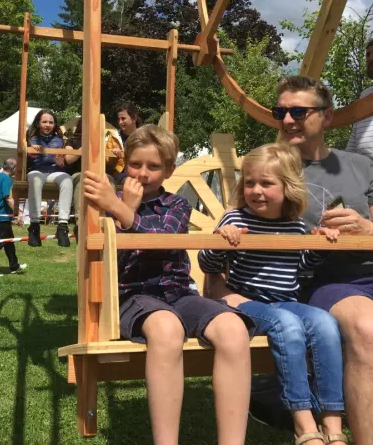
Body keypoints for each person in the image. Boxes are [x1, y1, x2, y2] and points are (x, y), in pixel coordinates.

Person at [84, 124, 253, 445]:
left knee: (233, 328)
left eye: (153, 166)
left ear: (169, 170)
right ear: (124, 164)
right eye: (136, 165)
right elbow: (110, 264)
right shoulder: (104, 206)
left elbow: (162, 239)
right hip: (133, 294)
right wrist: (125, 207)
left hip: (178, 293)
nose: (143, 173)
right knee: (167, 329)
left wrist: (122, 210)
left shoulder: (176, 205)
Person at [199, 143, 346, 445]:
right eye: (250, 183)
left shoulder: (295, 227)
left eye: (266, 183)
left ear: (287, 187)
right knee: (287, 325)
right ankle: (303, 422)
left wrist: (320, 246)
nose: (256, 191)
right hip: (245, 301)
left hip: (286, 301)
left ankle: (333, 423)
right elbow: (207, 264)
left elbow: (301, 270)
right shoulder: (235, 220)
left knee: (326, 323)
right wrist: (220, 242)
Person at [272, 74, 373, 445]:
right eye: (280, 111)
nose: (286, 120)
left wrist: (367, 228)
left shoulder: (362, 165)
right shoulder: (270, 169)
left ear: (327, 117)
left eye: (298, 110)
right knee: (367, 328)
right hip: (326, 280)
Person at [64, 117, 124, 236]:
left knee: (109, 179)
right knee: (82, 179)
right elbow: (68, 159)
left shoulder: (102, 141)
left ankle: (109, 219)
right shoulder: (72, 141)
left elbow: (110, 164)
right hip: (79, 173)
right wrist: (83, 149)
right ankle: (80, 222)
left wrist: (114, 154)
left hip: (99, 174)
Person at [26, 109, 73, 248]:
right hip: (37, 170)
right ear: (38, 123)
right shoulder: (30, 138)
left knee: (67, 179)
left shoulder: (59, 140)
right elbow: (26, 157)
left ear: (55, 124)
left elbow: (61, 162)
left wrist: (60, 161)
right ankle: (34, 226)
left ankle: (62, 226)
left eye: (51, 122)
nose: (47, 125)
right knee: (35, 179)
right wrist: (31, 152)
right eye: (44, 122)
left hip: (53, 171)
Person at [0, 158, 27, 277]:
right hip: (1, 216)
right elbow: (9, 199)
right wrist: (18, 214)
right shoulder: (7, 179)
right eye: (16, 168)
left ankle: (14, 266)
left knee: (9, 242)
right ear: (12, 168)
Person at [346, 37, 373, 158]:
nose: (371, 58)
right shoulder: (365, 94)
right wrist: (347, 163)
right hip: (363, 170)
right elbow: (355, 136)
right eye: (368, 54)